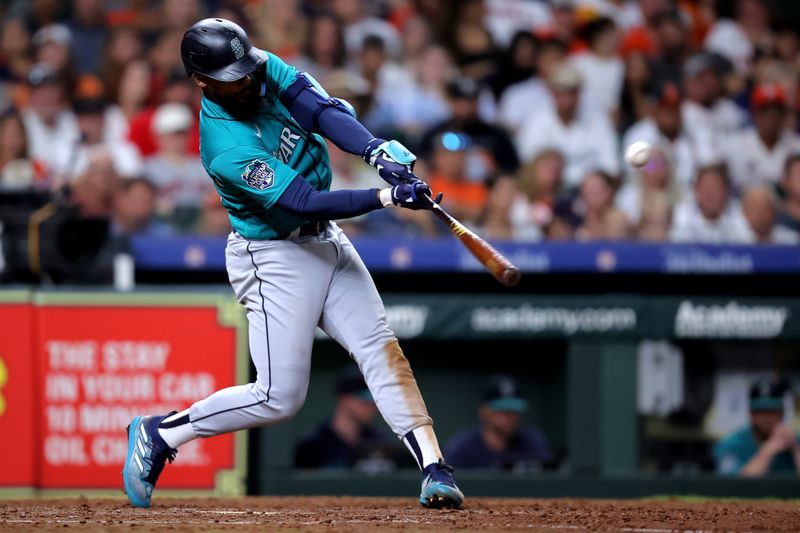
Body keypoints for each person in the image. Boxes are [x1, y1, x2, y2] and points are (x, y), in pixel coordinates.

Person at [122, 18, 463, 511]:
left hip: (326, 241)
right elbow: (303, 200)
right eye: (231, 76)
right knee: (278, 397)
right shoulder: (225, 145)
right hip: (273, 256)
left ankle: (434, 468)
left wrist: (376, 151)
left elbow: (319, 110)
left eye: (246, 69)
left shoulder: (259, 66)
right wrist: (387, 194)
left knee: (379, 347)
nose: (246, 80)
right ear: (201, 80)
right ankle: (161, 432)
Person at [294, 367, 406, 472]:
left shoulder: (382, 444)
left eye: (376, 401)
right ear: (344, 399)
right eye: (366, 400)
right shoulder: (313, 445)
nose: (373, 407)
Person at [444, 375, 552, 471]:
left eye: (514, 410)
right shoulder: (461, 448)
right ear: (483, 411)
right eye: (502, 410)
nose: (509, 416)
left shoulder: (532, 443)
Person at [714, 380, 800, 476]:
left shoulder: (795, 439)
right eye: (761, 412)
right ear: (751, 414)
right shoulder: (731, 444)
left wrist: (795, 449)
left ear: (782, 414)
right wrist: (768, 450)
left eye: (772, 412)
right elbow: (736, 484)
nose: (767, 418)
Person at [670, 164, 752, 243]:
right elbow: (677, 247)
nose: (710, 194)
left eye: (715, 188)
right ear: (696, 190)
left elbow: (747, 247)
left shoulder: (739, 214)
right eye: (706, 188)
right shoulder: (682, 214)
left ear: (725, 191)